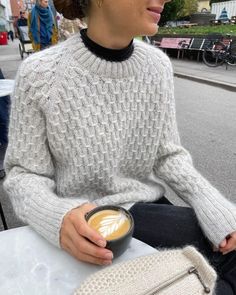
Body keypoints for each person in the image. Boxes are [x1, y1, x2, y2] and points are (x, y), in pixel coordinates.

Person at [3, 0, 236, 294]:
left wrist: (212, 206)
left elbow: (167, 154)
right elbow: (23, 174)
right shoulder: (40, 75)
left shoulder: (157, 67)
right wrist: (57, 217)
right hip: (86, 225)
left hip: (146, 209)